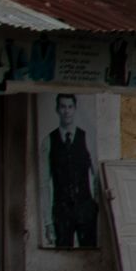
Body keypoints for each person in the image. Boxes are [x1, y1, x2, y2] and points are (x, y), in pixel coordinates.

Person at [46, 94, 99, 248]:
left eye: (70, 107)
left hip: (85, 208)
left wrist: (95, 205)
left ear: (75, 109)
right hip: (61, 210)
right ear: (57, 109)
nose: (66, 111)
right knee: (62, 252)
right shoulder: (49, 140)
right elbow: (43, 183)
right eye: (63, 107)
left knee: (89, 252)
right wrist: (47, 221)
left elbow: (97, 174)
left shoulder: (87, 137)